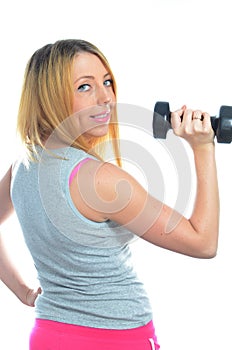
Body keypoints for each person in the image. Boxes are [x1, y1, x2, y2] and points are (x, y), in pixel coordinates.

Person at [0, 39, 219, 350]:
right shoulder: (101, 180)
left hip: (48, 335)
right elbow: (203, 242)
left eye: (107, 82)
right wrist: (202, 148)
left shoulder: (20, 166)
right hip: (116, 339)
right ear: (50, 97)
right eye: (84, 87)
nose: (106, 98)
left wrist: (22, 291)